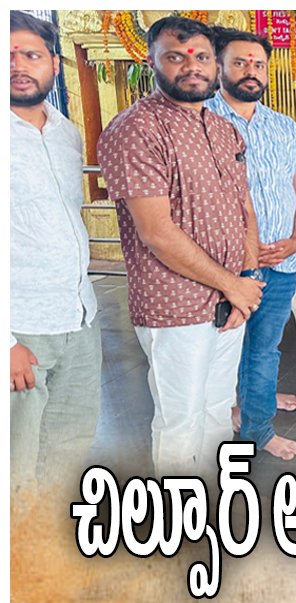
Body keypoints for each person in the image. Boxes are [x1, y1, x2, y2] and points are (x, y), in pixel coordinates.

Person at [97, 16, 263, 477]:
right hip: (175, 304)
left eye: (202, 57)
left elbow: (245, 210)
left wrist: (247, 279)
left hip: (232, 297)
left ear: (215, 65)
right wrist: (232, 284)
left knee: (218, 408)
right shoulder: (137, 129)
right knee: (180, 421)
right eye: (175, 56)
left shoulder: (224, 129)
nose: (191, 67)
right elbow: (156, 232)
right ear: (151, 62)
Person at [206, 28, 296, 462]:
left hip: (282, 262)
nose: (250, 71)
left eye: (258, 64)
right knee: (217, 351)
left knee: (264, 350)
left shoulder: (284, 127)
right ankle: (218, 423)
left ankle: (257, 428)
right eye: (239, 62)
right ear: (219, 67)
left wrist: (294, 240)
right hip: (224, 265)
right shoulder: (202, 121)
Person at [10, 10, 102, 497]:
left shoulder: (66, 131)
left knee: (69, 449)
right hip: (21, 325)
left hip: (79, 317)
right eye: (7, 56)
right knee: (15, 465)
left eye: (31, 55)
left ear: (53, 63)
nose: (18, 66)